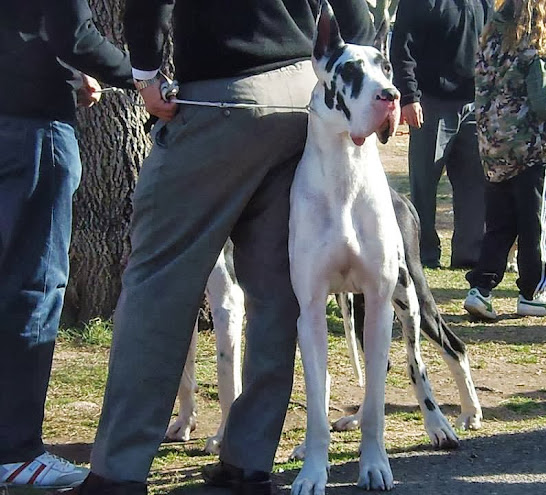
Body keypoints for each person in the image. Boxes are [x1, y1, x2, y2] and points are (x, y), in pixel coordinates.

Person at [71, 2, 375, 495]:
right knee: (277, 291)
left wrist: (145, 75)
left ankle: (118, 474)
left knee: (159, 283)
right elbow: (355, 12)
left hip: (220, 97)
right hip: (299, 98)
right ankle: (249, 464)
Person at [0, 0, 133, 489]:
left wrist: (64, 76)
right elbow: (72, 33)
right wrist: (139, 75)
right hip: (31, 130)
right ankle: (14, 452)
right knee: (31, 288)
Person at [462, 0, 546, 321]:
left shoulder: (490, 37)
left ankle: (480, 290)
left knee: (499, 225)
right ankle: (535, 291)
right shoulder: (535, 41)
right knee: (533, 222)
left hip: (493, 145)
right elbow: (544, 100)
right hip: (531, 146)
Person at [390, 0, 492, 269]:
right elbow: (402, 46)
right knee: (424, 185)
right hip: (431, 103)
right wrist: (409, 97)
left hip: (474, 103)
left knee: (474, 184)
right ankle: (424, 254)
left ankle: (469, 254)